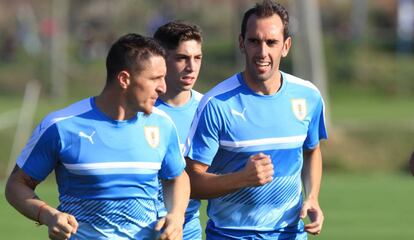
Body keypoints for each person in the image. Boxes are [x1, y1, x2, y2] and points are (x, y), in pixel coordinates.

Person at [5, 33, 190, 240]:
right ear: (124, 79)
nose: (163, 87)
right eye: (155, 78)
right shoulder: (61, 126)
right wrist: (48, 215)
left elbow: (177, 177)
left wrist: (176, 215)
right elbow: (16, 185)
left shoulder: (162, 124)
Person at [184, 0, 328, 239]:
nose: (262, 52)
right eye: (254, 41)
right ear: (242, 43)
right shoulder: (217, 104)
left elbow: (311, 151)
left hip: (289, 234)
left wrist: (312, 197)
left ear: (286, 46)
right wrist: (242, 178)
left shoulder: (308, 96)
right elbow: (191, 181)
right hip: (230, 234)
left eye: (271, 42)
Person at [153, 21, 203, 240]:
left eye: (197, 58)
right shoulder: (138, 110)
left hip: (186, 229)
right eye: (182, 58)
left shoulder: (209, 109)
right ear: (161, 60)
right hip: (137, 228)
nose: (191, 67)